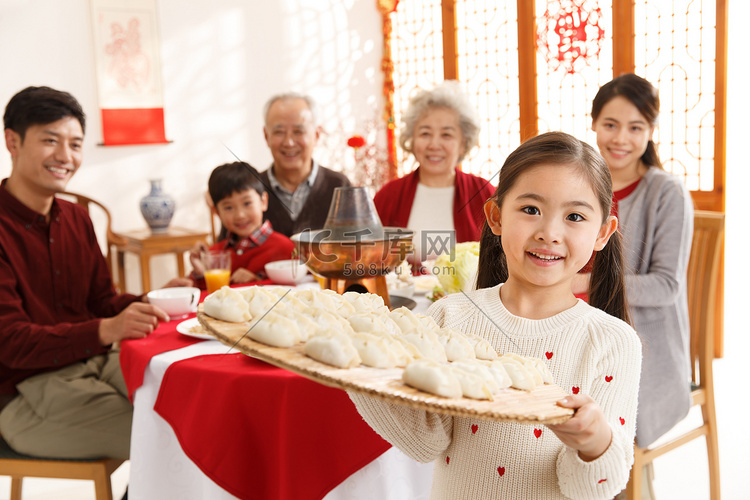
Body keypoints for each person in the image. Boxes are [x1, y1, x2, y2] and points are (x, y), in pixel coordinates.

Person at [350, 132, 643, 499]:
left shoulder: (612, 341)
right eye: (531, 209)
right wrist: (358, 372)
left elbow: (590, 488)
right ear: (495, 216)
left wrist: (593, 440)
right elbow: (426, 443)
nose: (549, 233)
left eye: (574, 216)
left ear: (602, 233)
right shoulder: (449, 317)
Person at [0, 86, 188, 462]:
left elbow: (101, 302)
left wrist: (152, 300)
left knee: (191, 408)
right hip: (21, 393)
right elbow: (10, 342)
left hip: (94, 363)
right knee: (170, 442)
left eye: (75, 144)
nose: (65, 157)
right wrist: (105, 330)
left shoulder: (77, 218)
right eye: (50, 141)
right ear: (13, 142)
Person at [585, 74, 694, 497]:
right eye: (610, 124)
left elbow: (665, 286)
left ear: (650, 131)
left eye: (635, 127)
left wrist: (586, 280)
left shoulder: (666, 193)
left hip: (643, 354)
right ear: (593, 124)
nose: (621, 138)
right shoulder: (584, 185)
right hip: (583, 332)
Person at [372, 81, 495, 266]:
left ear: (463, 143)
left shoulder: (484, 193)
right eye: (425, 133)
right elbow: (369, 260)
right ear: (412, 140)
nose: (434, 145)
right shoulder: (389, 196)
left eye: (446, 135)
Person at [188, 161, 296, 287]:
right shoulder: (215, 254)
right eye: (228, 208)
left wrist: (257, 281)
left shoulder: (286, 248)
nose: (240, 215)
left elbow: (295, 290)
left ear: (263, 202)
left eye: (247, 203)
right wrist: (201, 272)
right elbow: (203, 297)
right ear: (217, 212)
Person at [259, 92, 351, 237]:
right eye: (279, 132)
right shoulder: (251, 190)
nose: (289, 142)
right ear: (266, 136)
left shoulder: (340, 186)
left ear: (316, 135)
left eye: (298, 131)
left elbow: (359, 249)